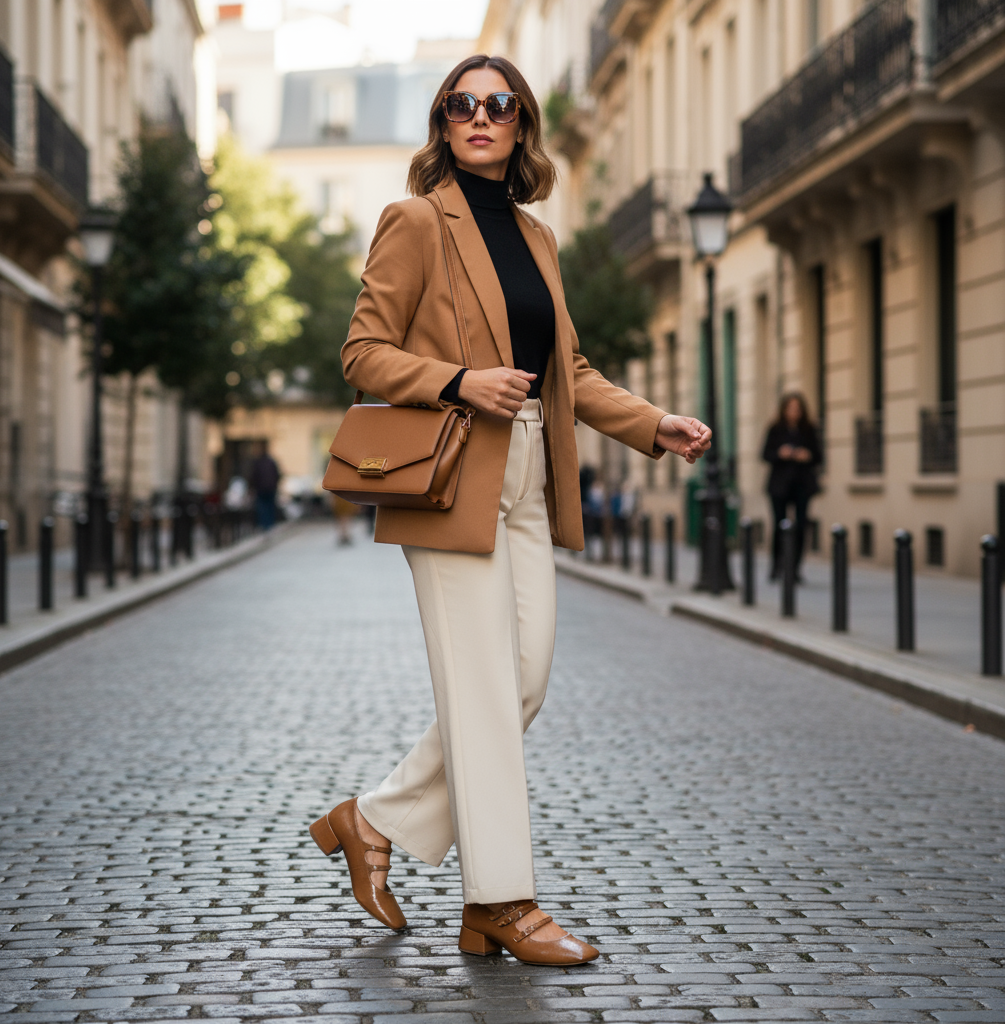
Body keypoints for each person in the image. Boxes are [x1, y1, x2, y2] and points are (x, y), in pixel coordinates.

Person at [309, 54, 712, 967]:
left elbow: (566, 373)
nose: (481, 117)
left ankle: (370, 821)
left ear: (522, 123)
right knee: (486, 694)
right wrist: (456, 379)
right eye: (462, 105)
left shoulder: (537, 240)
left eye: (499, 105)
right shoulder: (414, 222)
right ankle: (500, 900)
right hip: (453, 477)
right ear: (443, 123)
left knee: (522, 682)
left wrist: (655, 424)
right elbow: (363, 353)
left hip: (533, 477)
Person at [761, 393, 822, 581]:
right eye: (791, 408)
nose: (794, 412)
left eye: (798, 409)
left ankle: (795, 568)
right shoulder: (775, 429)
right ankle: (776, 566)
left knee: (802, 525)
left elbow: (819, 456)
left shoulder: (808, 430)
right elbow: (765, 454)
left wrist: (807, 455)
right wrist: (781, 453)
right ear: (784, 410)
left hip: (802, 485)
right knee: (779, 524)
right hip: (779, 486)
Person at [249, 442, 280, 530]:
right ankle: (269, 524)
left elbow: (253, 476)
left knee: (263, 507)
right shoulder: (271, 462)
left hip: (261, 489)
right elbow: (277, 475)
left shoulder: (258, 463)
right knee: (269, 507)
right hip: (270, 488)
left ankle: (264, 524)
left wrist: (252, 487)